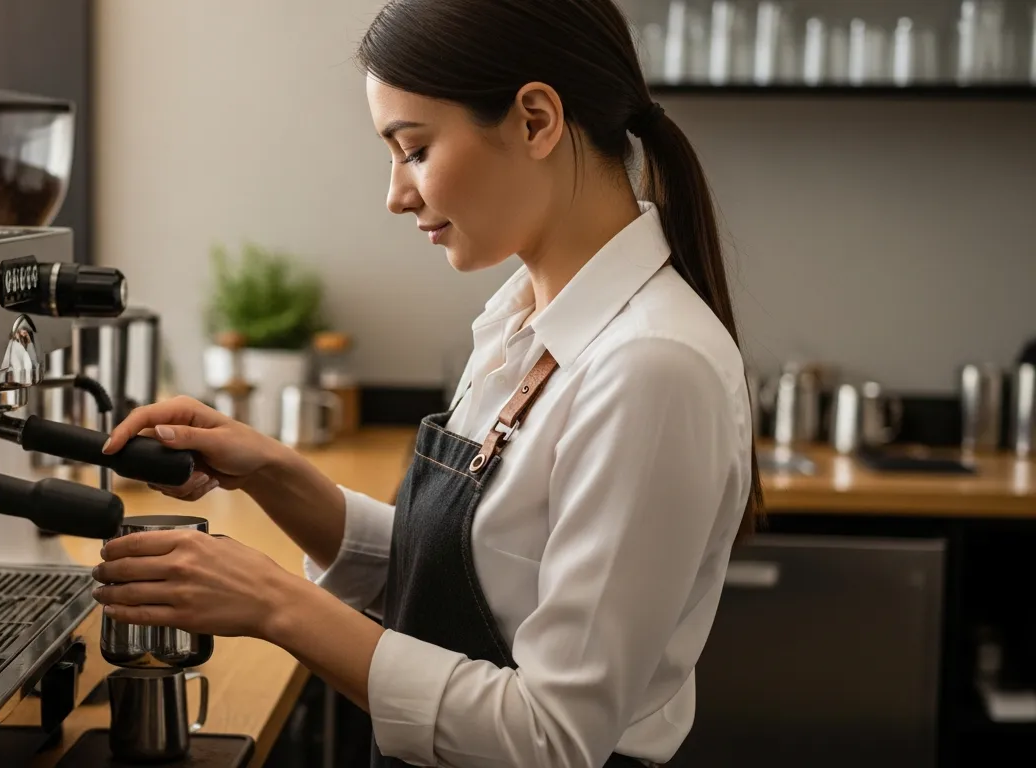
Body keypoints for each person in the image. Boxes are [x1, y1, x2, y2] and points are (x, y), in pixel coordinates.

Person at [93, 0, 763, 765]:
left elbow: (551, 737)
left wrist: (275, 603)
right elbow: (469, 575)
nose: (396, 194)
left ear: (536, 120)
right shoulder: (521, 323)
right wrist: (273, 473)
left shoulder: (652, 369)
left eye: (413, 149)